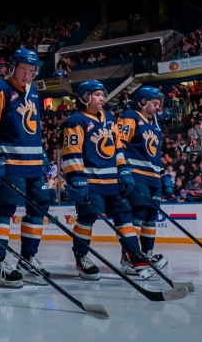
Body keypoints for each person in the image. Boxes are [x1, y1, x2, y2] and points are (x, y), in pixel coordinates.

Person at [61, 80, 154, 280]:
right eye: (97, 94)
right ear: (85, 97)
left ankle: (134, 256)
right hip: (90, 181)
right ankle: (82, 257)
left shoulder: (109, 118)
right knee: (87, 218)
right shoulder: (76, 121)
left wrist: (124, 170)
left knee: (125, 215)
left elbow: (118, 146)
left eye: (102, 94)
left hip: (112, 181)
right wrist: (76, 177)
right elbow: (71, 152)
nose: (102, 98)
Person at [0, 47, 50, 288]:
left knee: (39, 208)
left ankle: (27, 259)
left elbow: (33, 128)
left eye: (31, 71)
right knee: (5, 209)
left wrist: (43, 153)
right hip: (10, 163)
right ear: (12, 67)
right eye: (23, 70)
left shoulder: (33, 91)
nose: (27, 75)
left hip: (34, 164)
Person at [116, 87, 171, 274]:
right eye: (155, 103)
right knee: (138, 214)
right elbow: (119, 143)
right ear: (143, 101)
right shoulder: (131, 116)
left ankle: (147, 253)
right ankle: (129, 257)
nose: (158, 107)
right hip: (137, 174)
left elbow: (155, 154)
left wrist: (164, 174)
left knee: (151, 217)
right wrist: (122, 168)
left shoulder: (155, 124)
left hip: (153, 177)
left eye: (159, 104)